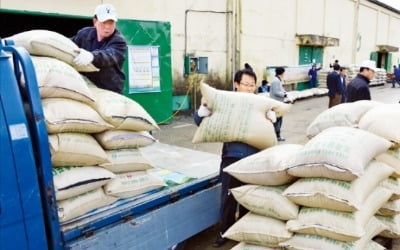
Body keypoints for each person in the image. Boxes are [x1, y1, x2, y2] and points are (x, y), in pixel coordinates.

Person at [194, 64, 260, 248]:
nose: (249, 88)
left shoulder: (259, 104)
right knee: (229, 198)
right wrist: (202, 112)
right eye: (246, 84)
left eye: (252, 85)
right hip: (232, 157)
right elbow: (199, 121)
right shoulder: (226, 102)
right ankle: (226, 231)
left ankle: (246, 232)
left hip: (255, 158)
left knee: (249, 198)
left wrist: (273, 118)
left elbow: (272, 129)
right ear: (236, 84)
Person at [71, 3, 127, 93]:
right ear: (95, 22)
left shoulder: (119, 41)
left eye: (111, 22)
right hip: (86, 86)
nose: (107, 27)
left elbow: (109, 56)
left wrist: (91, 56)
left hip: (109, 90)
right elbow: (69, 45)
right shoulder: (84, 34)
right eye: (104, 22)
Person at [269, 67, 287, 141]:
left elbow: (280, 89)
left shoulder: (278, 80)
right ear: (282, 73)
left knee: (278, 120)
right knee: (277, 120)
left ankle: (276, 135)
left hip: (278, 103)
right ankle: (277, 136)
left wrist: (285, 92)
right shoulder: (276, 81)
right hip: (276, 103)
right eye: (284, 73)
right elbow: (276, 92)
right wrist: (284, 95)